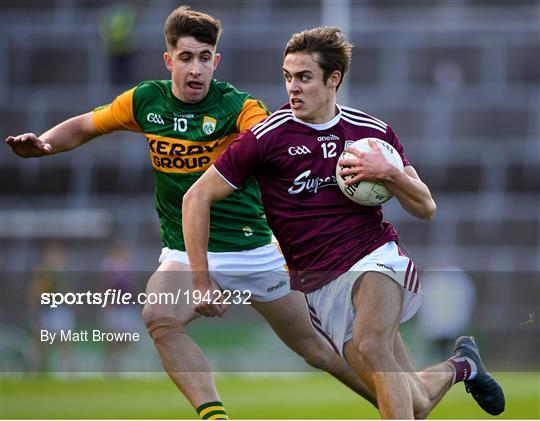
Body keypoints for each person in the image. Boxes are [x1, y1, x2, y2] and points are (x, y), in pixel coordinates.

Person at [5, 8, 375, 420]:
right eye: (186, 57)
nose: (196, 68)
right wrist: (45, 144)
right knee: (159, 316)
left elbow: (274, 141)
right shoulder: (146, 100)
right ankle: (214, 415)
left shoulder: (240, 107)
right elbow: (87, 124)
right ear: (169, 61)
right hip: (184, 249)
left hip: (253, 249)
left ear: (215, 61)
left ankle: (401, 404)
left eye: (204, 58)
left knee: (318, 351)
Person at [182, 26, 505, 419]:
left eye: (303, 77)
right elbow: (195, 197)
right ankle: (463, 366)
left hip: (374, 257)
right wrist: (201, 278)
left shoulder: (372, 135)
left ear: (333, 78)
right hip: (319, 285)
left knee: (371, 345)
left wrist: (390, 172)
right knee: (414, 400)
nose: (292, 88)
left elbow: (426, 206)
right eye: (287, 77)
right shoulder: (266, 138)